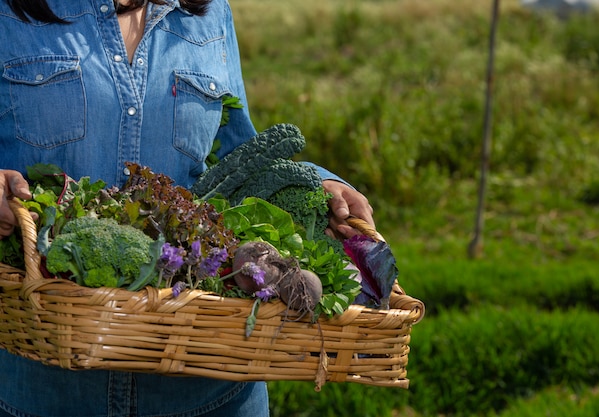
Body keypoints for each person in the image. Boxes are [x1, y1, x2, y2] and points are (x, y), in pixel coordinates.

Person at [0, 1, 375, 416]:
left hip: (211, 390)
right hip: (40, 390)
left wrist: (317, 181)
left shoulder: (209, 13)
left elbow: (238, 158)